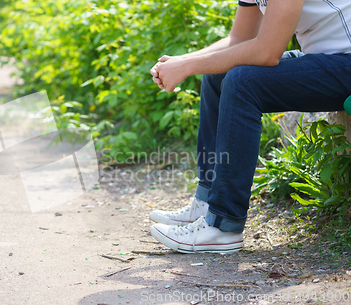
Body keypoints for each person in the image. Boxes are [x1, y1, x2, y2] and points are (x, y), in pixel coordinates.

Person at [149, 0, 351, 253]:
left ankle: (223, 226)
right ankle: (207, 201)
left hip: (346, 64)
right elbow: (239, 39)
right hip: (328, 61)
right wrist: (184, 60)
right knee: (217, 74)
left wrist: (187, 66)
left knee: (242, 82)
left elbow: (267, 52)